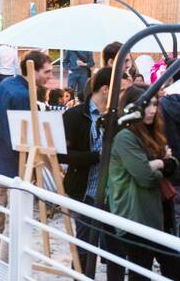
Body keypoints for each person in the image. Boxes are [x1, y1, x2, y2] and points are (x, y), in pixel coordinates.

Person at [0, 51, 53, 261]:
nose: (50, 76)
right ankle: (5, 267)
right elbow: (27, 137)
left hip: (0, 159)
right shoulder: (25, 95)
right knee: (14, 220)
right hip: (16, 164)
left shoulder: (5, 85)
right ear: (33, 70)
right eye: (47, 71)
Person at [58, 67, 126, 279]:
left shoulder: (122, 117)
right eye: (122, 90)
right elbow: (62, 154)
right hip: (85, 191)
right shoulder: (74, 115)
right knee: (84, 248)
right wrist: (97, 156)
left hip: (114, 194)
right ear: (106, 89)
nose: (125, 95)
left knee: (116, 250)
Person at [109, 85, 180, 279]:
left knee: (172, 267)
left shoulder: (153, 133)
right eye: (146, 105)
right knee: (141, 271)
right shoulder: (125, 136)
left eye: (155, 104)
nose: (151, 110)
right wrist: (161, 163)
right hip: (137, 216)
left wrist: (158, 164)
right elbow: (145, 176)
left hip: (159, 213)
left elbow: (174, 165)